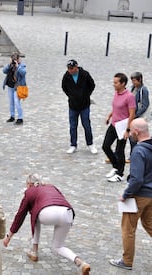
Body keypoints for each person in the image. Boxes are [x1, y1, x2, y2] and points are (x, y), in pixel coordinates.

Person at [3, 174, 90, 275]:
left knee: (34, 212)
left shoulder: (30, 191)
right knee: (58, 246)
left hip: (47, 213)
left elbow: (20, 215)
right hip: (67, 212)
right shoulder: (52, 187)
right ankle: (81, 263)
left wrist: (9, 236)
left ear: (29, 184)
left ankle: (34, 251)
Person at [109, 118, 152, 270]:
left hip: (139, 195)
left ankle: (126, 261)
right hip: (151, 196)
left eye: (130, 130)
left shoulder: (138, 151)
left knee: (128, 229)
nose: (128, 133)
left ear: (136, 131)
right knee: (149, 225)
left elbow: (137, 179)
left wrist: (126, 195)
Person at [102, 73, 136, 182]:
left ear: (123, 83)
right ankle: (116, 166)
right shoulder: (116, 93)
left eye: (116, 83)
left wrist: (128, 130)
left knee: (119, 150)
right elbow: (116, 107)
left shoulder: (129, 97)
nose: (114, 84)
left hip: (122, 127)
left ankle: (120, 174)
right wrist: (109, 116)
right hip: (113, 125)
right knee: (105, 146)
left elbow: (132, 114)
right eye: (114, 82)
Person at [61, 59, 97, 154]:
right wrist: (71, 95)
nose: (70, 70)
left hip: (84, 105)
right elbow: (64, 87)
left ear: (76, 67)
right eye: (69, 68)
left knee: (86, 125)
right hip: (73, 105)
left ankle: (90, 144)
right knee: (73, 126)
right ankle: (73, 144)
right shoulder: (66, 76)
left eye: (72, 68)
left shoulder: (85, 74)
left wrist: (86, 95)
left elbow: (92, 85)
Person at [2, 52, 26, 125]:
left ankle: (20, 118)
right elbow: (4, 71)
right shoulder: (10, 66)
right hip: (10, 86)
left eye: (16, 59)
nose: (14, 61)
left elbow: (23, 73)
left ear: (18, 59)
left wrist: (18, 66)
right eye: (13, 59)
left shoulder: (22, 66)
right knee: (11, 102)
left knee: (16, 102)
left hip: (17, 87)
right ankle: (12, 116)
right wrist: (9, 65)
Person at [128, 72, 150, 153]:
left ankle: (135, 153)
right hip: (133, 115)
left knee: (135, 137)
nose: (133, 83)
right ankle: (133, 153)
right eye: (132, 81)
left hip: (138, 117)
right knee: (132, 137)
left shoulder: (143, 90)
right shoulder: (133, 88)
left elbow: (145, 105)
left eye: (134, 81)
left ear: (140, 79)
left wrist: (135, 115)